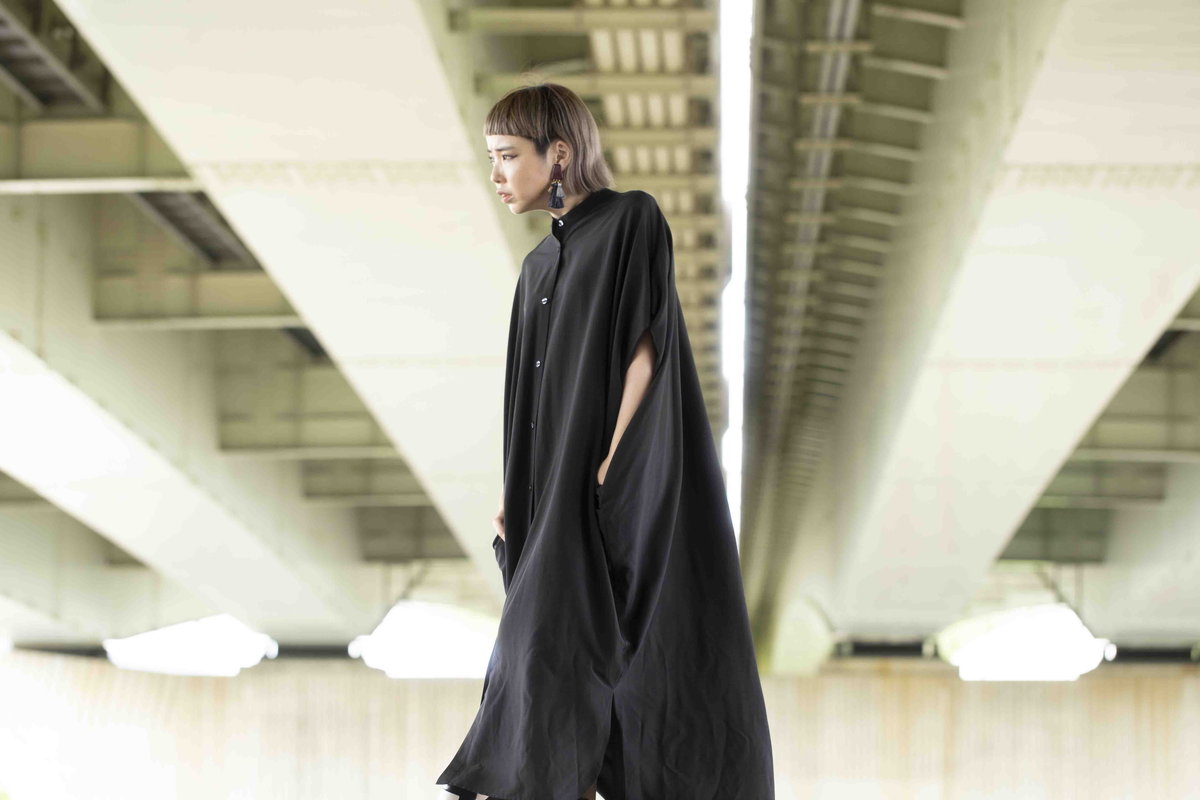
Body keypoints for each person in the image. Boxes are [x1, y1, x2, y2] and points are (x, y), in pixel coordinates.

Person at [436, 83, 774, 800]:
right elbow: (531, 397)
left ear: (558, 154)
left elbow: (646, 345)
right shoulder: (537, 267)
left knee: (580, 654)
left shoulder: (630, 220)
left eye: (508, 156)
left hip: (600, 490)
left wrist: (617, 462)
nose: (495, 174)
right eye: (491, 157)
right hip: (547, 499)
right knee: (535, 660)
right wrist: (517, 490)